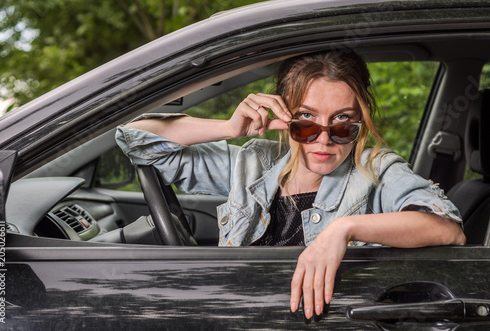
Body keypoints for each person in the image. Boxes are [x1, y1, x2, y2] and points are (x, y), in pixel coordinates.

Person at [116, 50, 465, 321]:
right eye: (306, 121)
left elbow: (446, 227)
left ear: (361, 120)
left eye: (343, 122)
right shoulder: (252, 163)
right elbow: (135, 138)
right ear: (285, 117)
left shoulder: (376, 169)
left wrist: (343, 229)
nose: (324, 140)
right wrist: (228, 128)